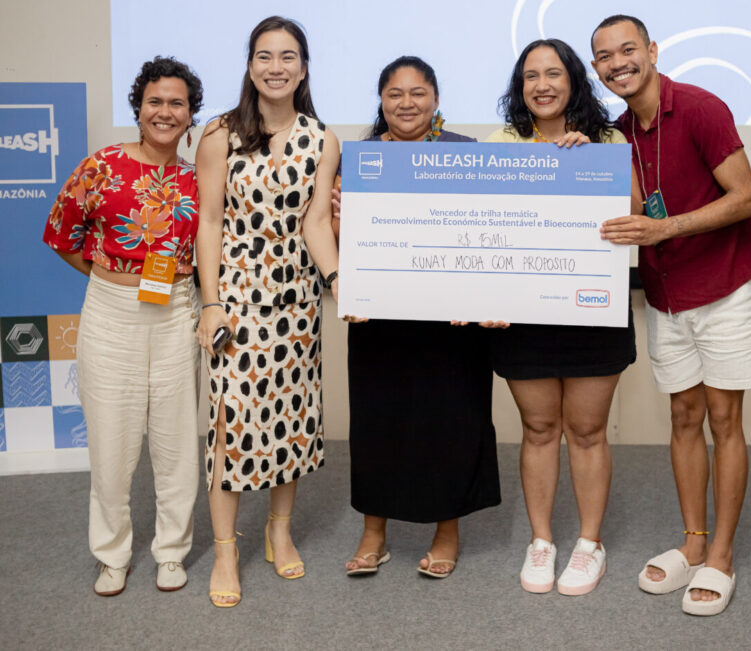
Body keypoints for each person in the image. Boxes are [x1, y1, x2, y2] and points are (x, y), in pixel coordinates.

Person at [592, 15, 751, 615]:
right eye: (604, 57)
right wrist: (576, 155)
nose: (618, 63)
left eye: (627, 50)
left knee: (724, 416)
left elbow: (747, 198)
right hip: (666, 293)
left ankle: (722, 553)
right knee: (684, 414)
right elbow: (631, 206)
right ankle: (692, 542)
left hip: (726, 286)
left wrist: (667, 227)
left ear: (652, 51)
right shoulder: (618, 131)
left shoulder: (699, 107)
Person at [43, 57, 204, 597]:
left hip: (177, 309)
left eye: (176, 103)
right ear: (138, 107)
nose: (165, 112)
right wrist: (113, 280)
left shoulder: (198, 178)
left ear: (190, 114)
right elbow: (62, 235)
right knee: (111, 445)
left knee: (177, 441)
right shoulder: (102, 166)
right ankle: (112, 554)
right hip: (111, 312)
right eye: (155, 101)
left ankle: (172, 551)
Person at [194, 16, 339, 608]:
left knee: (290, 418)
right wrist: (209, 303)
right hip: (234, 300)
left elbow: (315, 223)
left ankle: (280, 529)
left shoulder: (321, 138)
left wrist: (338, 282)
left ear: (303, 68)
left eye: (287, 56)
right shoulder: (219, 133)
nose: (275, 67)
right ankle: (227, 550)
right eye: (264, 56)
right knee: (229, 430)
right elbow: (207, 222)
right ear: (250, 65)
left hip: (295, 302)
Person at [337, 56, 501, 580]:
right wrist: (342, 220)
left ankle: (446, 531)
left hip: (451, 321)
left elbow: (487, 230)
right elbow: (341, 242)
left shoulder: (466, 154)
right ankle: (374, 533)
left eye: (417, 93)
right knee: (377, 422)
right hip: (378, 317)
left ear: (435, 98)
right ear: (381, 100)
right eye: (394, 94)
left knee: (451, 419)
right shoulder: (358, 159)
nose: (406, 103)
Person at [487, 38, 638, 596]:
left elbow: (634, 215)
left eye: (554, 73)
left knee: (587, 430)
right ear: (520, 86)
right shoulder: (501, 144)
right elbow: (483, 226)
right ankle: (542, 540)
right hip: (522, 314)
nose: (542, 84)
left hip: (589, 307)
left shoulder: (607, 141)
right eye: (531, 76)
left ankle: (589, 543)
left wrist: (591, 167)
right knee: (539, 428)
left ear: (574, 80)